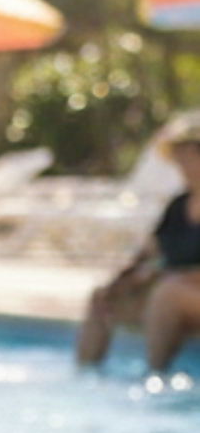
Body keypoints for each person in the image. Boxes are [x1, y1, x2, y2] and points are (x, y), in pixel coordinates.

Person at [76, 111, 200, 373]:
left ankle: (154, 379)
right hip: (173, 291)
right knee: (102, 299)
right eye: (178, 155)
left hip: (181, 293)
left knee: (166, 295)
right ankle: (85, 378)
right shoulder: (178, 206)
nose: (181, 162)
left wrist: (174, 279)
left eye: (188, 154)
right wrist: (120, 282)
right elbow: (149, 252)